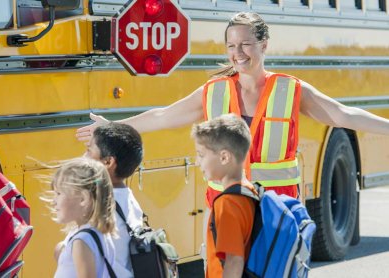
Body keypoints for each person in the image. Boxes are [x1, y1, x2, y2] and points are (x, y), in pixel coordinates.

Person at [76, 11, 389, 203]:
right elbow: (163, 116)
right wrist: (112, 126)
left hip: (277, 210)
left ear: (264, 45)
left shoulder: (290, 90)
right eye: (231, 46)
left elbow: (343, 115)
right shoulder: (214, 91)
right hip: (226, 206)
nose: (237, 53)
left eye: (245, 44)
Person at [192, 114, 255, 277]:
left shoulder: (227, 204)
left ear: (224, 157)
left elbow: (234, 261)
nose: (197, 162)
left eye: (201, 155)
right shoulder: (249, 192)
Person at [84, 122, 144, 278]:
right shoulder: (128, 198)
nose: (84, 157)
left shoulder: (99, 206)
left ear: (108, 162)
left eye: (89, 150)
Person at [51, 158, 116, 278]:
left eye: (59, 193)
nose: (53, 201)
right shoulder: (99, 233)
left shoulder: (81, 241)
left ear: (83, 199)